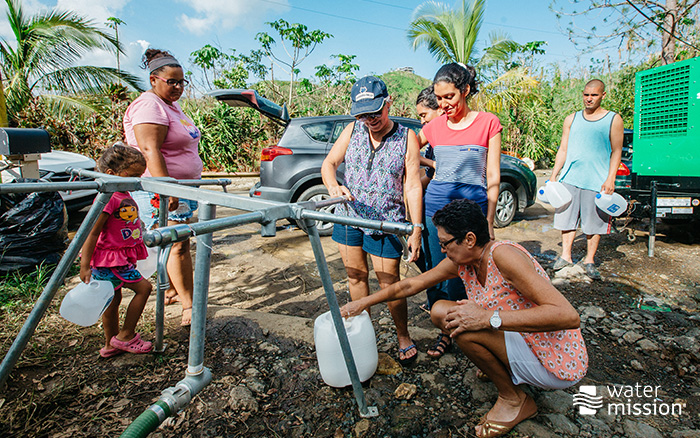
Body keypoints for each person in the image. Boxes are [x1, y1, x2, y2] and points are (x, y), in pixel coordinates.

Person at [340, 199, 588, 438]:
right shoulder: (464, 261)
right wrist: (361, 303)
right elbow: (410, 285)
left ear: (469, 239)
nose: (442, 250)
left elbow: (567, 316)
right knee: (440, 311)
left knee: (463, 325)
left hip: (554, 357)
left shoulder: (503, 256)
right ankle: (503, 368)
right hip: (524, 339)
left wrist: (487, 319)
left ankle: (514, 400)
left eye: (446, 243)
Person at [321, 75, 423, 365]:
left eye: (376, 111)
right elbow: (329, 164)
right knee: (355, 276)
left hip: (385, 223)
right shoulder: (352, 130)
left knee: (389, 283)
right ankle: (364, 332)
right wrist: (332, 185)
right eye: (364, 114)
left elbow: (413, 185)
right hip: (349, 217)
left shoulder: (407, 138)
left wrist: (416, 229)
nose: (371, 119)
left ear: (389, 103)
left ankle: (402, 334)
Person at [417, 63, 502, 359]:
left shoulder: (488, 122)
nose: (444, 105)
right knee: (435, 271)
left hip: (472, 213)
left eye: (449, 97)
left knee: (467, 276)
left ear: (465, 91)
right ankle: (446, 332)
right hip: (435, 209)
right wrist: (431, 166)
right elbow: (406, 148)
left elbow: (492, 176)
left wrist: (489, 221)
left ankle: (472, 333)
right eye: (439, 99)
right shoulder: (434, 126)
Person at [124, 48, 202, 326]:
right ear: (154, 79)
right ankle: (189, 306)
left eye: (182, 82)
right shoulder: (149, 105)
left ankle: (172, 290)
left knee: (176, 244)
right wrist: (164, 189)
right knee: (177, 245)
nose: (179, 87)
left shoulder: (171, 105)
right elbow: (149, 149)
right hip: (164, 190)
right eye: (172, 82)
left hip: (183, 188)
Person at [80, 144, 154, 358]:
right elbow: (92, 233)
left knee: (112, 300)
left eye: (139, 176)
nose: (135, 181)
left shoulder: (123, 192)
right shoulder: (109, 198)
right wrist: (85, 266)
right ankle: (126, 336)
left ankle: (110, 344)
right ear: (111, 174)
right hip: (111, 260)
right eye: (132, 175)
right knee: (144, 289)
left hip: (119, 257)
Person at [549, 79, 624, 280]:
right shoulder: (571, 119)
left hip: (597, 180)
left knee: (594, 223)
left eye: (594, 95)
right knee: (566, 218)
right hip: (570, 178)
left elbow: (617, 151)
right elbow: (563, 148)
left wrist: (611, 178)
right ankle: (566, 256)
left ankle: (589, 260)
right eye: (586, 95)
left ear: (603, 95)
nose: (589, 98)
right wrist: (555, 174)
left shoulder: (613, 119)